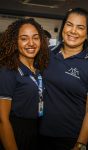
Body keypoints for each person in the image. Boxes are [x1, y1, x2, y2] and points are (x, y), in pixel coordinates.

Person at [39, 8, 88, 150]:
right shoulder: (47, 54)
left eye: (80, 27)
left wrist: (80, 144)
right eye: (69, 24)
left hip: (69, 138)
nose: (73, 31)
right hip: (38, 132)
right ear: (63, 27)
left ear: (87, 34)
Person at [0, 18, 49, 150]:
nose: (31, 43)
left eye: (35, 38)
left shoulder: (39, 69)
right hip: (16, 131)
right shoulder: (8, 71)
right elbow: (2, 119)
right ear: (15, 42)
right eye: (24, 38)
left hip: (36, 130)